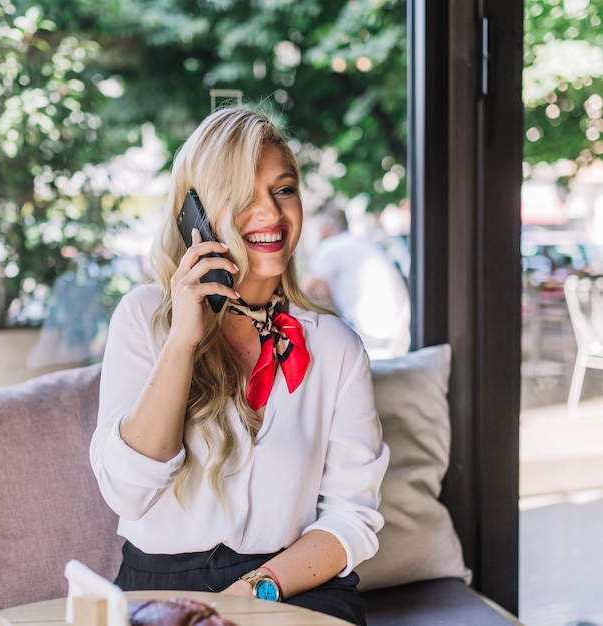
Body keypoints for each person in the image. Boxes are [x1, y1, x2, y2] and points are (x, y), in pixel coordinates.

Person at [90, 107, 389, 626]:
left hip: (289, 585)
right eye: (243, 195)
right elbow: (128, 492)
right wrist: (182, 341)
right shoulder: (142, 318)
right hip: (157, 587)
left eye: (283, 189)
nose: (270, 214)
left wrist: (253, 590)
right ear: (196, 214)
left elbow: (352, 517)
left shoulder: (337, 347)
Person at [303, 206, 410, 359]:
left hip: (372, 335)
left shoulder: (331, 247)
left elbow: (301, 293)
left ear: (324, 228)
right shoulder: (362, 243)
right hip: (397, 335)